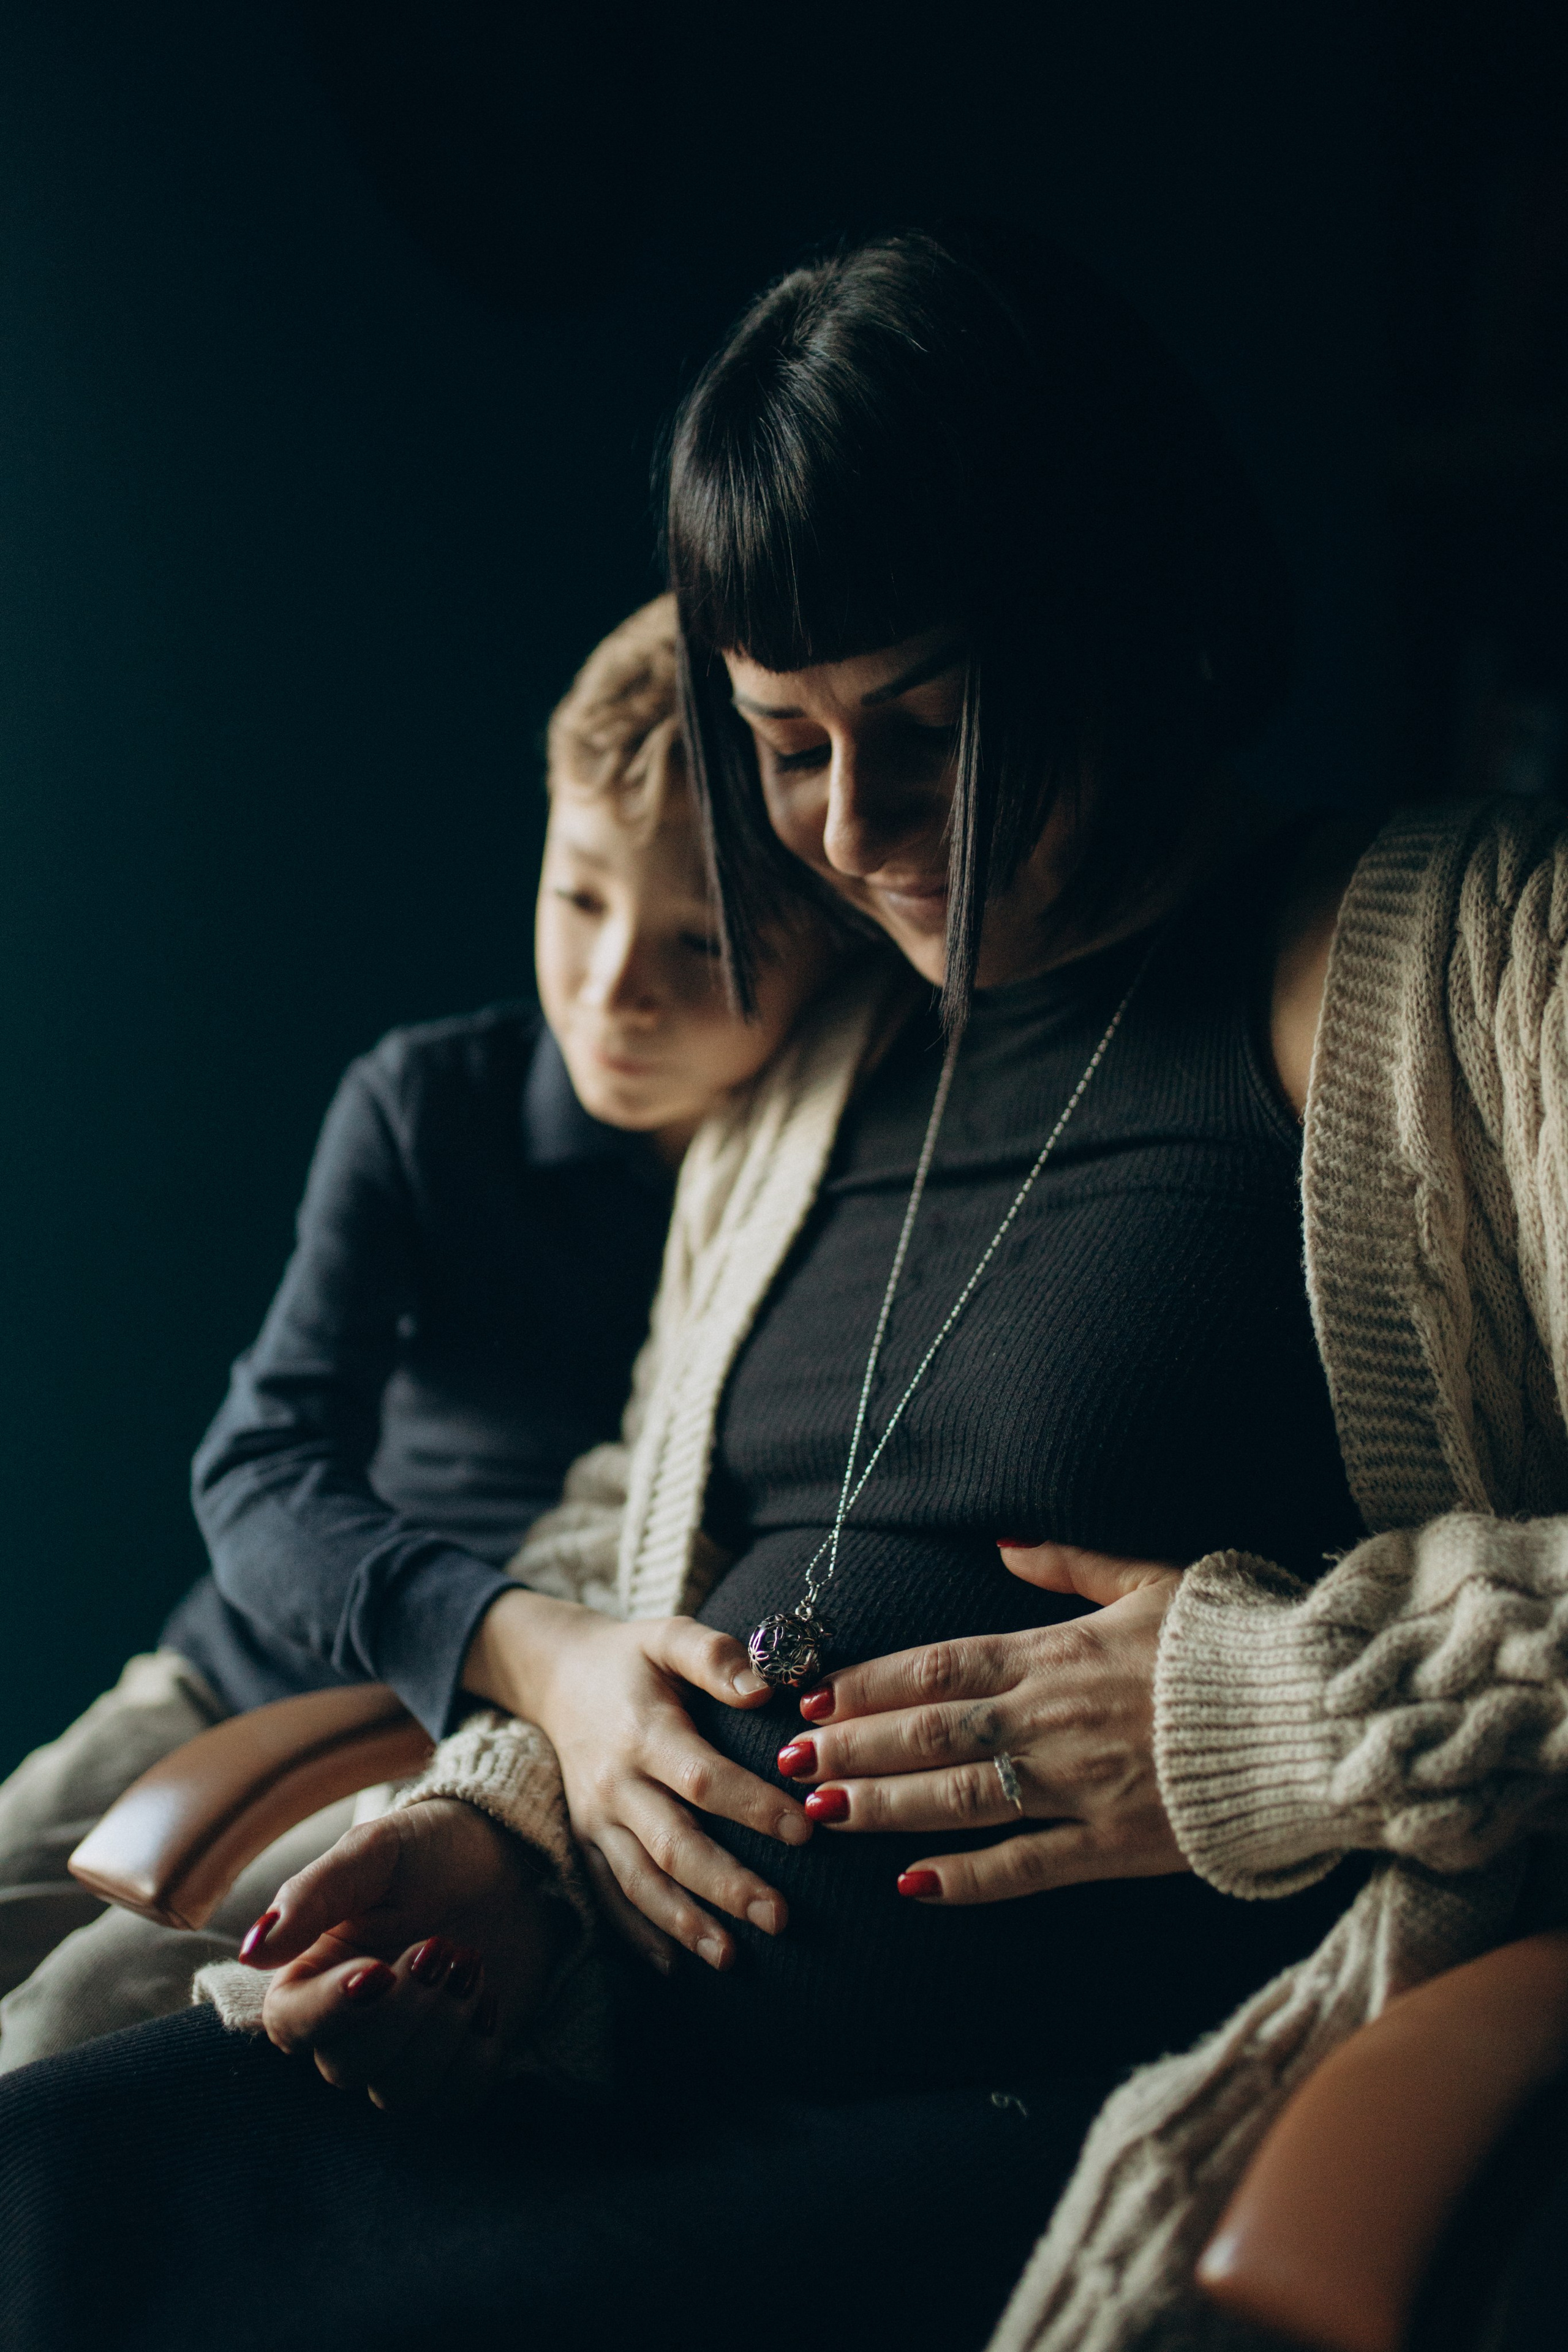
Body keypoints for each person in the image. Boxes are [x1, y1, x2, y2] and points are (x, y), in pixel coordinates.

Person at [5, 223, 1567, 2352]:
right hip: (593, 2072)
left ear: (1121, 619)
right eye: (787, 741)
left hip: (1019, 2130)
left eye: (926, 727)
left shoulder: (1469, 958)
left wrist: (1272, 1712)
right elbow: (625, 1522)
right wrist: (516, 1832)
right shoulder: (805, 1070)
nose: (852, 827)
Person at [0, 594, 833, 2075]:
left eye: (700, 945)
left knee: (75, 2029)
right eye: (578, 899)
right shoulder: (427, 1105)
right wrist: (509, 1632)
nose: (609, 986)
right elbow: (257, 1472)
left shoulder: (823, 1192)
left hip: (463, 1762)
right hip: (245, 1658)